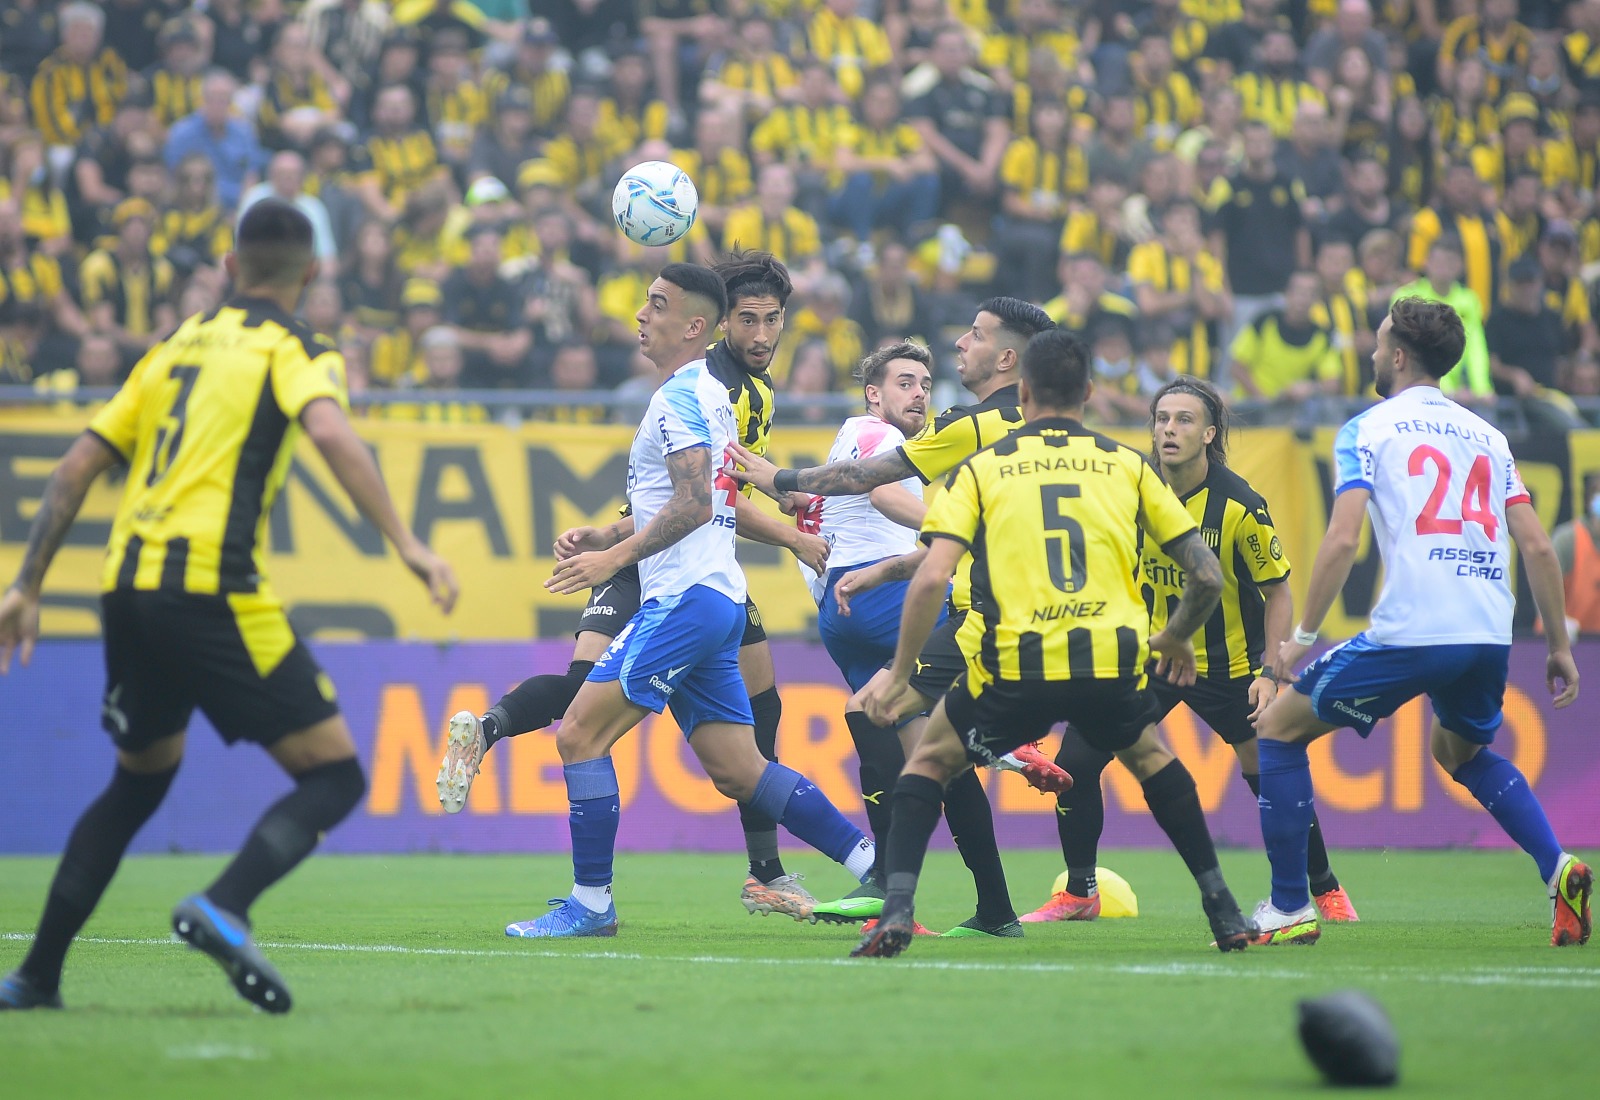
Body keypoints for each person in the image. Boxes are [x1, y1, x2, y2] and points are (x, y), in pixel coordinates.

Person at [0, 200, 459, 1013]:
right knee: (336, 775)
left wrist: (26, 584)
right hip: (209, 587)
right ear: (311, 275)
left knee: (138, 783)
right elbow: (330, 432)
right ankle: (226, 904)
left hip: (126, 589)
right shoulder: (296, 348)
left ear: (227, 266)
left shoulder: (170, 347)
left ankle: (35, 976)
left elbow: (76, 466)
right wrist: (409, 545)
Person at [437, 252, 834, 922]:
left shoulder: (746, 390)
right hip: (665, 562)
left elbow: (706, 495)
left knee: (752, 705)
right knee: (603, 701)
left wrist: (607, 531)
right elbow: (708, 498)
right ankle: (762, 870)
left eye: (773, 321)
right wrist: (792, 533)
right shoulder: (711, 384)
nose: (762, 334)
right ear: (715, 325)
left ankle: (489, 728)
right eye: (748, 320)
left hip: (672, 556)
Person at [849, 329, 1255, 958]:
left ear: (1026, 392)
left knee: (929, 762)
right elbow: (1206, 574)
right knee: (1154, 762)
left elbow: (932, 574)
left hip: (1016, 660)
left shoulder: (983, 469)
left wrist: (901, 673)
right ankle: (1221, 905)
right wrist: (1175, 638)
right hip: (1108, 658)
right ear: (1090, 393)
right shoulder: (1129, 466)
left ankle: (896, 911)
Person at [1251, 297, 1592, 949]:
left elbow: (1343, 540)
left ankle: (1291, 906)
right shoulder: (1490, 437)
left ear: (1399, 355)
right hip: (1489, 633)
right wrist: (1557, 646)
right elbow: (1540, 547)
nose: (1373, 353)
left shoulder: (1369, 428)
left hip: (1415, 628)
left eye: (1380, 343)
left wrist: (1299, 640)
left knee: (1277, 728)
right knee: (1458, 750)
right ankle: (1558, 869)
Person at [734, 298, 1065, 937]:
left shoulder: (919, 433)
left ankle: (891, 878)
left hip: (925, 612)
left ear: (1005, 357)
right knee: (932, 755)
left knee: (878, 718)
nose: (918, 392)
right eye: (904, 382)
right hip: (897, 602)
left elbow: (877, 487)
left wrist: (783, 480)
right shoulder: (910, 428)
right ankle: (988, 904)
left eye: (923, 381)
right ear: (873, 393)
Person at [1030, 377, 1356, 924]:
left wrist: (1270, 673)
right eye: (1161, 418)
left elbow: (1278, 591)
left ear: (1209, 433)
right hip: (1149, 658)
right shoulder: (1128, 487)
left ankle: (1323, 885)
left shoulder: (1239, 505)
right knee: (1076, 762)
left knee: (1268, 773)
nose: (1169, 430)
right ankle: (1080, 892)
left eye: (1183, 420)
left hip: (1230, 667)